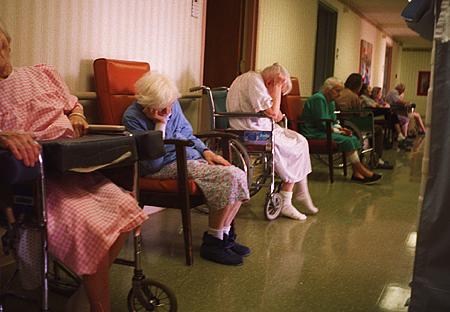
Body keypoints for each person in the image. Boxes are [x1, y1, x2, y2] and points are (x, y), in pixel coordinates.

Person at [0, 24, 148, 312]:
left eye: (0, 47)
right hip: (36, 180)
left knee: (130, 210)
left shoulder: (42, 73)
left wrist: (78, 115)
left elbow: (72, 105)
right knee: (91, 228)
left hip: (76, 166)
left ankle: (85, 291)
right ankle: (99, 306)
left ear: (9, 46)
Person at [123, 72, 250, 266]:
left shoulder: (172, 105)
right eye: (162, 108)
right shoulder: (132, 118)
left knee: (238, 173)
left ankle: (224, 235)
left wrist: (207, 152)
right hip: (162, 167)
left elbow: (188, 134)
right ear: (147, 104)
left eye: (171, 104)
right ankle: (213, 242)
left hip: (188, 159)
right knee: (228, 177)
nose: (168, 110)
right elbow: (152, 165)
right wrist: (160, 124)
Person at [225, 63, 318, 221]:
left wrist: (275, 108)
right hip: (251, 132)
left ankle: (298, 193)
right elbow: (274, 113)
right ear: (270, 83)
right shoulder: (254, 80)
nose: (276, 95)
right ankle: (289, 199)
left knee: (300, 140)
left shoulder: (253, 80)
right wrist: (277, 86)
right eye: (279, 90)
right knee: (298, 144)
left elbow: (275, 113)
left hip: (253, 128)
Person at [299, 77, 382, 184]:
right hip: (313, 132)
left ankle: (357, 173)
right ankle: (361, 170)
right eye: (337, 91)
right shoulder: (318, 99)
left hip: (325, 130)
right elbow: (322, 123)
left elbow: (333, 121)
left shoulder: (331, 101)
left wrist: (341, 129)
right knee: (347, 140)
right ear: (328, 89)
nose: (339, 94)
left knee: (352, 137)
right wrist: (339, 131)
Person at [336, 74, 393, 170]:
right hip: (351, 123)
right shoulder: (353, 96)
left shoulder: (340, 93)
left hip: (340, 121)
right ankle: (376, 159)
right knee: (377, 129)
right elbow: (359, 115)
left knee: (373, 124)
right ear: (358, 85)